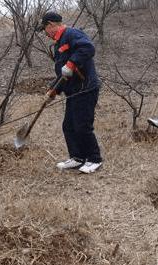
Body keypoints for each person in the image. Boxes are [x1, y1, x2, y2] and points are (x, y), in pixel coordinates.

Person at [37, 12, 102, 173]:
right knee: (69, 126)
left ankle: (94, 159)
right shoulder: (59, 43)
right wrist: (53, 90)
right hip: (73, 91)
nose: (45, 33)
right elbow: (63, 75)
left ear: (51, 24)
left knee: (82, 125)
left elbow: (88, 48)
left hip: (85, 89)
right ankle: (77, 158)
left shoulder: (72, 34)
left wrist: (72, 63)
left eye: (45, 29)